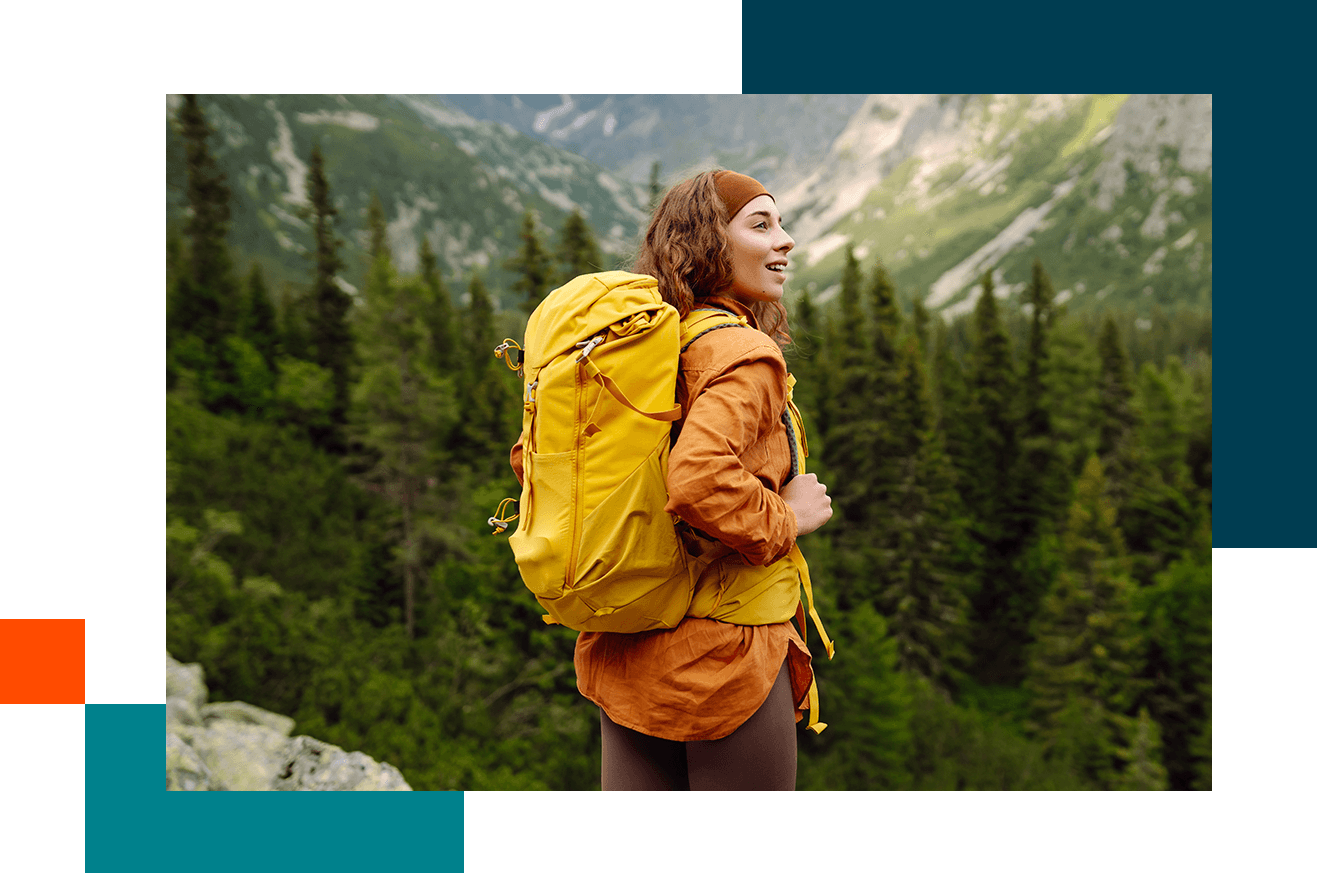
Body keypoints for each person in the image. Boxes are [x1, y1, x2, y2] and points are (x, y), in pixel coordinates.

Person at [512, 169, 834, 790]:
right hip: (725, 654)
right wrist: (788, 517)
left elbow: (538, 463)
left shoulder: (646, 347)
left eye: (781, 223)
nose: (786, 240)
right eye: (761, 225)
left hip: (628, 639)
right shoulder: (741, 353)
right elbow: (697, 480)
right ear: (710, 240)